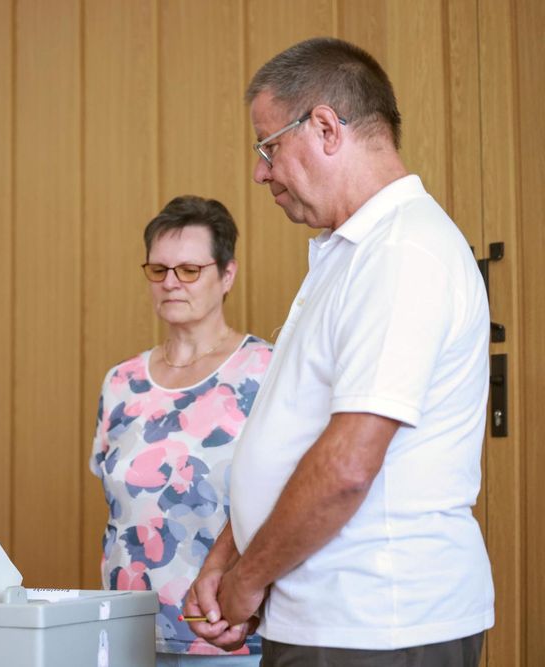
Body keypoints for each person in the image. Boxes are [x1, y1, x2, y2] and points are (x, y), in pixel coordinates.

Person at [184, 37, 494, 666]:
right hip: (331, 616)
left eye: (268, 147)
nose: (260, 172)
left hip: (380, 621)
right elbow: (299, 441)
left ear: (325, 127)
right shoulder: (348, 251)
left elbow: (348, 464)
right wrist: (233, 554)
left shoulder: (402, 252)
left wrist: (247, 583)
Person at [91, 196, 272, 667]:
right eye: (158, 270)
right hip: (127, 637)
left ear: (226, 274)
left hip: (230, 636)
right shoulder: (121, 382)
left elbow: (286, 501)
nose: (171, 282)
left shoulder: (268, 372)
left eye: (189, 270)